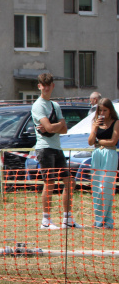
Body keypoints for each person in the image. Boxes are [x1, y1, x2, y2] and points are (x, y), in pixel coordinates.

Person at [31, 72, 81, 230]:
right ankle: (45, 221)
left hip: (57, 147)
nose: (46, 88)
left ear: (52, 86)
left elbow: (64, 129)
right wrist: (56, 125)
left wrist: (54, 126)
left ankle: (67, 219)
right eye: (43, 85)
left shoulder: (55, 105)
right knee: (49, 183)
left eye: (48, 85)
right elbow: (50, 127)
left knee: (69, 181)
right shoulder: (38, 106)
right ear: (39, 86)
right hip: (44, 148)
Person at [87, 98, 119, 229]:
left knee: (105, 187)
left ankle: (106, 220)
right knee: (96, 188)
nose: (102, 113)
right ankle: (99, 219)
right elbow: (90, 142)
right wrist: (94, 128)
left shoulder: (116, 122)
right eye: (100, 110)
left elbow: (113, 142)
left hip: (110, 155)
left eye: (105, 110)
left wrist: (99, 142)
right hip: (97, 155)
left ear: (110, 110)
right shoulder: (95, 122)